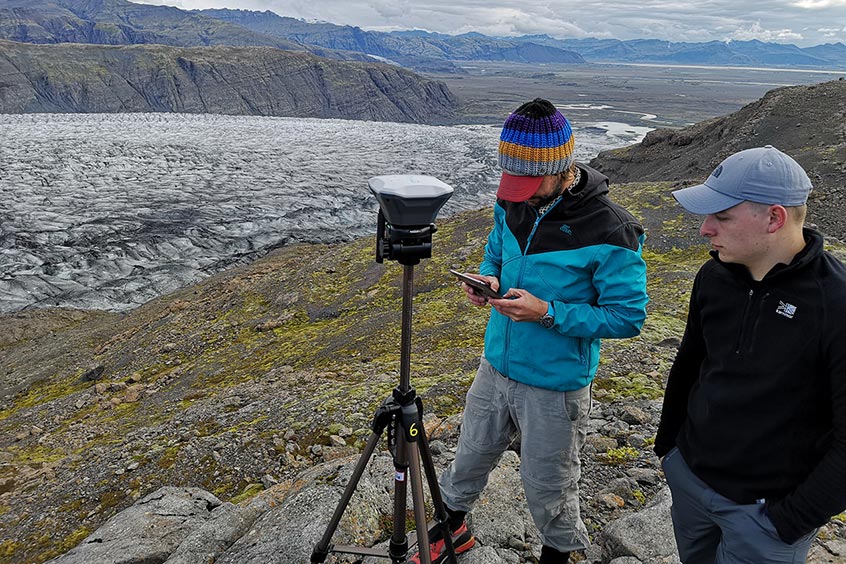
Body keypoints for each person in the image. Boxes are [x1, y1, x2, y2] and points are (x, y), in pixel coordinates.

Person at [411, 98, 649, 564]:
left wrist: (547, 312)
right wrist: (488, 280)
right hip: (496, 365)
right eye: (510, 181)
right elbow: (496, 253)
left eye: (526, 181)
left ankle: (558, 555)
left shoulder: (611, 228)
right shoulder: (511, 202)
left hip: (555, 386)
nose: (514, 193)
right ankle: (453, 529)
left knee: (550, 485)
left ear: (562, 168)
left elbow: (628, 317)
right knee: (469, 457)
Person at [654, 145, 846, 563]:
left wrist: (792, 519)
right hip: (690, 482)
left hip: (766, 514)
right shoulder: (713, 277)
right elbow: (689, 364)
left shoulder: (836, 302)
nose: (705, 229)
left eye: (721, 216)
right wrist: (670, 452)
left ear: (774, 218)